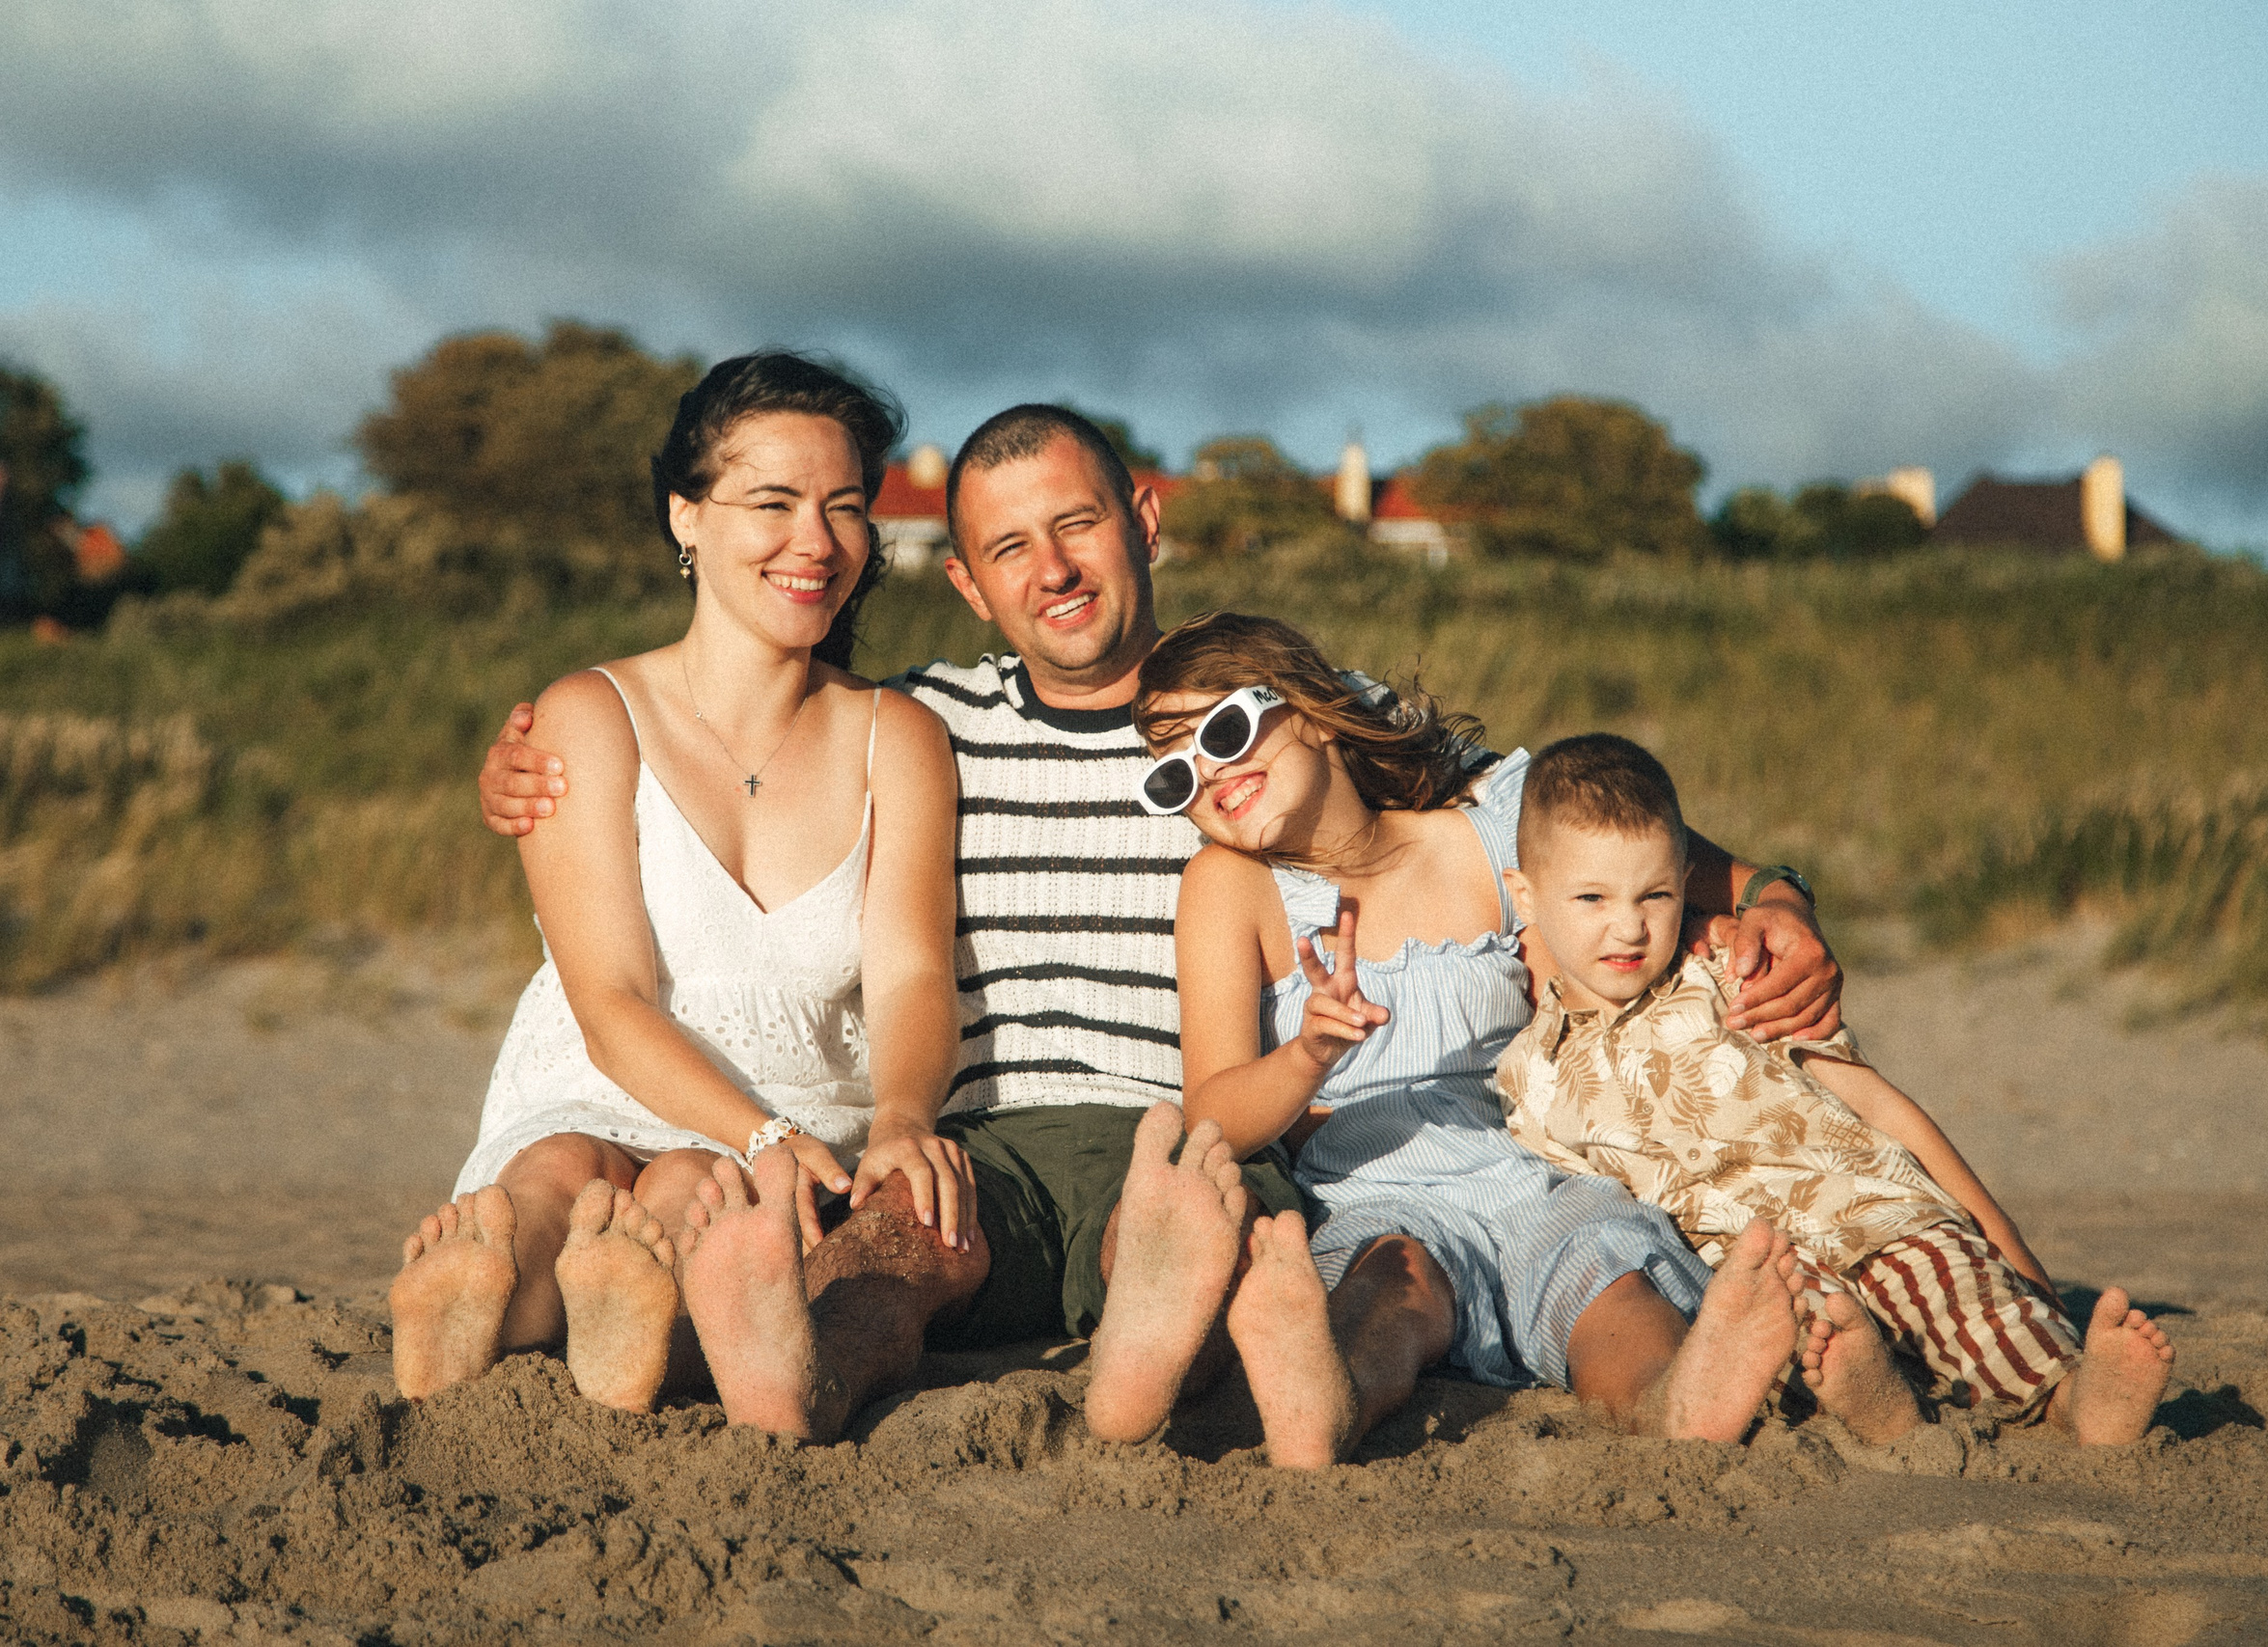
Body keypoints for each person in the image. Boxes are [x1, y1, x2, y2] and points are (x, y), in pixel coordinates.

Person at [475, 406, 1849, 1440]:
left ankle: (1140, 1362)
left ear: (1143, 516)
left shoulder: (1263, 716)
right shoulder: (919, 723)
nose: (1052, 568)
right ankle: (800, 1366)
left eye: (1076, 523)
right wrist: (523, 754)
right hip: (991, 1137)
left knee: (1192, 1223)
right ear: (968, 583)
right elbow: (743, 728)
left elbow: (1562, 826)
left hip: (1184, 1124)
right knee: (901, 1244)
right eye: (1008, 547)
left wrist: (1769, 894)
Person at [1084, 612, 1811, 1467]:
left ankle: (1675, 1396)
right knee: (1393, 1290)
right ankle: (1327, 1398)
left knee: (1607, 1281)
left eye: (1227, 729)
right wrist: (1308, 1052)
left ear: (1314, 710)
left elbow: (1654, 867)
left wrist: (1773, 899)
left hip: (1534, 1165)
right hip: (1373, 1186)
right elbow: (1213, 1113)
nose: (1209, 770)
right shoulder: (1230, 888)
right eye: (1175, 774)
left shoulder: (1487, 835)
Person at [390, 353, 969, 1423]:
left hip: (799, 1109)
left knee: (683, 1197)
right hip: (622, 1069)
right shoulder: (588, 717)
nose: (816, 541)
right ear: (686, 518)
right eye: (773, 502)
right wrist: (755, 1134)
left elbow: (910, 976)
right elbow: (607, 999)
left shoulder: (902, 740)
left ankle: (623, 1298)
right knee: (560, 1171)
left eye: (844, 507)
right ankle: (486, 1289)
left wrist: (899, 1115)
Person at [1493, 732, 2176, 1445]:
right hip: (1755, 1264)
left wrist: (2019, 1261)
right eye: (1593, 897)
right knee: (1783, 1337)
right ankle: (1880, 1406)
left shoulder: (1729, 969)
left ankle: (2075, 1399)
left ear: (1687, 878)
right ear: (1526, 896)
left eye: (1656, 893)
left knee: (1957, 1286)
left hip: (1866, 1210)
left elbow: (1880, 1105)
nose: (1629, 924)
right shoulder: (1531, 1077)